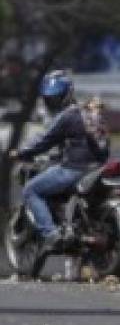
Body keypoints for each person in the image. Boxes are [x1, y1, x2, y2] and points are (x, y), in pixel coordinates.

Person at [9, 71, 110, 249]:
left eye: (56, 98)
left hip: (74, 169)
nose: (53, 102)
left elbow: (44, 142)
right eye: (50, 99)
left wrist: (21, 153)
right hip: (98, 167)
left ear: (68, 94)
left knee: (31, 190)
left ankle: (51, 234)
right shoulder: (89, 112)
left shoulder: (66, 116)